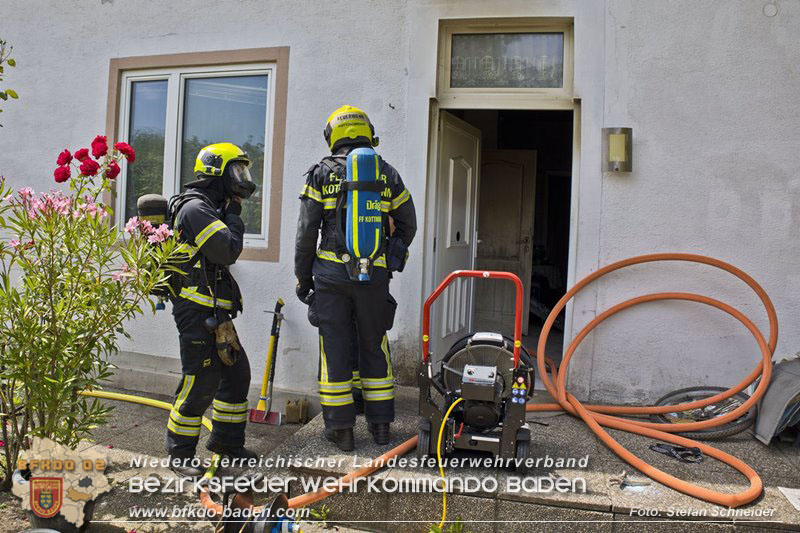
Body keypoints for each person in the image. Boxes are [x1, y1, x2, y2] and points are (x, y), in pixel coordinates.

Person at [295, 105, 416, 451]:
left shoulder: (321, 174)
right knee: (374, 345)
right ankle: (380, 428)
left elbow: (306, 233)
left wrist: (303, 279)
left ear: (332, 136)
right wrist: (390, 259)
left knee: (333, 348)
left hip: (330, 278)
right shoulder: (386, 173)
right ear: (368, 133)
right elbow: (409, 224)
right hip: (374, 278)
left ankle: (342, 431)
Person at [165, 142, 258, 477]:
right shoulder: (195, 209)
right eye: (237, 171)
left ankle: (226, 443)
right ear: (216, 173)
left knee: (236, 374)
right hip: (195, 311)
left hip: (216, 313)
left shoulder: (211, 207)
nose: (243, 179)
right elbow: (227, 249)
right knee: (200, 381)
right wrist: (233, 217)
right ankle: (180, 453)